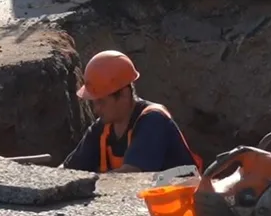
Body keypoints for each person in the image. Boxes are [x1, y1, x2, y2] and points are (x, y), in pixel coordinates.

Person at [61, 50, 204, 174]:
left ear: (124, 94)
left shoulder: (153, 120)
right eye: (94, 103)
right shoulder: (101, 129)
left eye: (101, 102)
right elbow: (69, 170)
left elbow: (131, 175)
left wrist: (87, 182)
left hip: (180, 201)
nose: (96, 109)